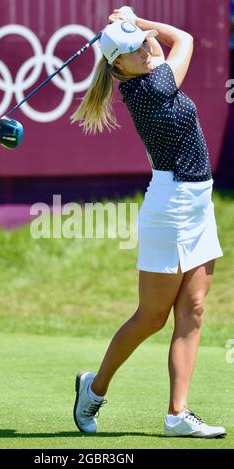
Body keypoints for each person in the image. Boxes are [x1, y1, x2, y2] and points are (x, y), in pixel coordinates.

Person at [71, 8, 226, 438]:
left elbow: (159, 46)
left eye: (140, 44)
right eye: (132, 49)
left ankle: (178, 414)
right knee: (152, 317)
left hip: (198, 203)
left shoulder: (146, 70)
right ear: (118, 65)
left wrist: (135, 30)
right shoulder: (152, 86)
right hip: (171, 207)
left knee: (193, 310)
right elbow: (186, 40)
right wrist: (140, 21)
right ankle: (94, 387)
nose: (143, 48)